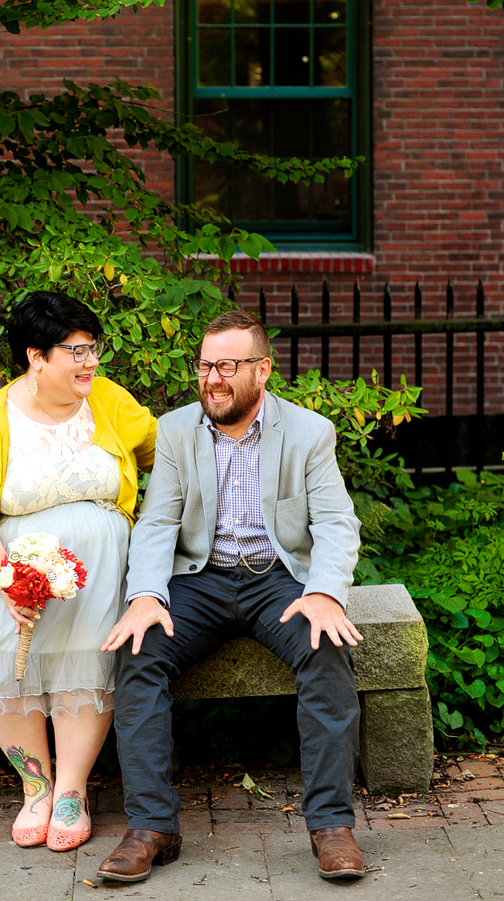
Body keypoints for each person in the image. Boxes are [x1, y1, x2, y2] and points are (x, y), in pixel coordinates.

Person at [99, 309, 364, 884]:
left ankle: (331, 826)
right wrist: (145, 595)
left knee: (326, 650)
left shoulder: (309, 432)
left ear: (262, 370)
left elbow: (338, 524)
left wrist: (323, 594)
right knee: (139, 651)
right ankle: (151, 827)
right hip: (200, 580)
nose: (212, 378)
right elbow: (156, 523)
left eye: (226, 365)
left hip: (279, 580)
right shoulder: (176, 431)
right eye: (204, 365)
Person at [0, 290, 156, 852]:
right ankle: (36, 786)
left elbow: (164, 453)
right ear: (36, 357)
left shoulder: (109, 402)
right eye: (76, 351)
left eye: (93, 348)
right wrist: (9, 581)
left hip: (101, 577)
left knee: (90, 657)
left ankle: (72, 791)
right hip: (10, 573)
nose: (91, 362)